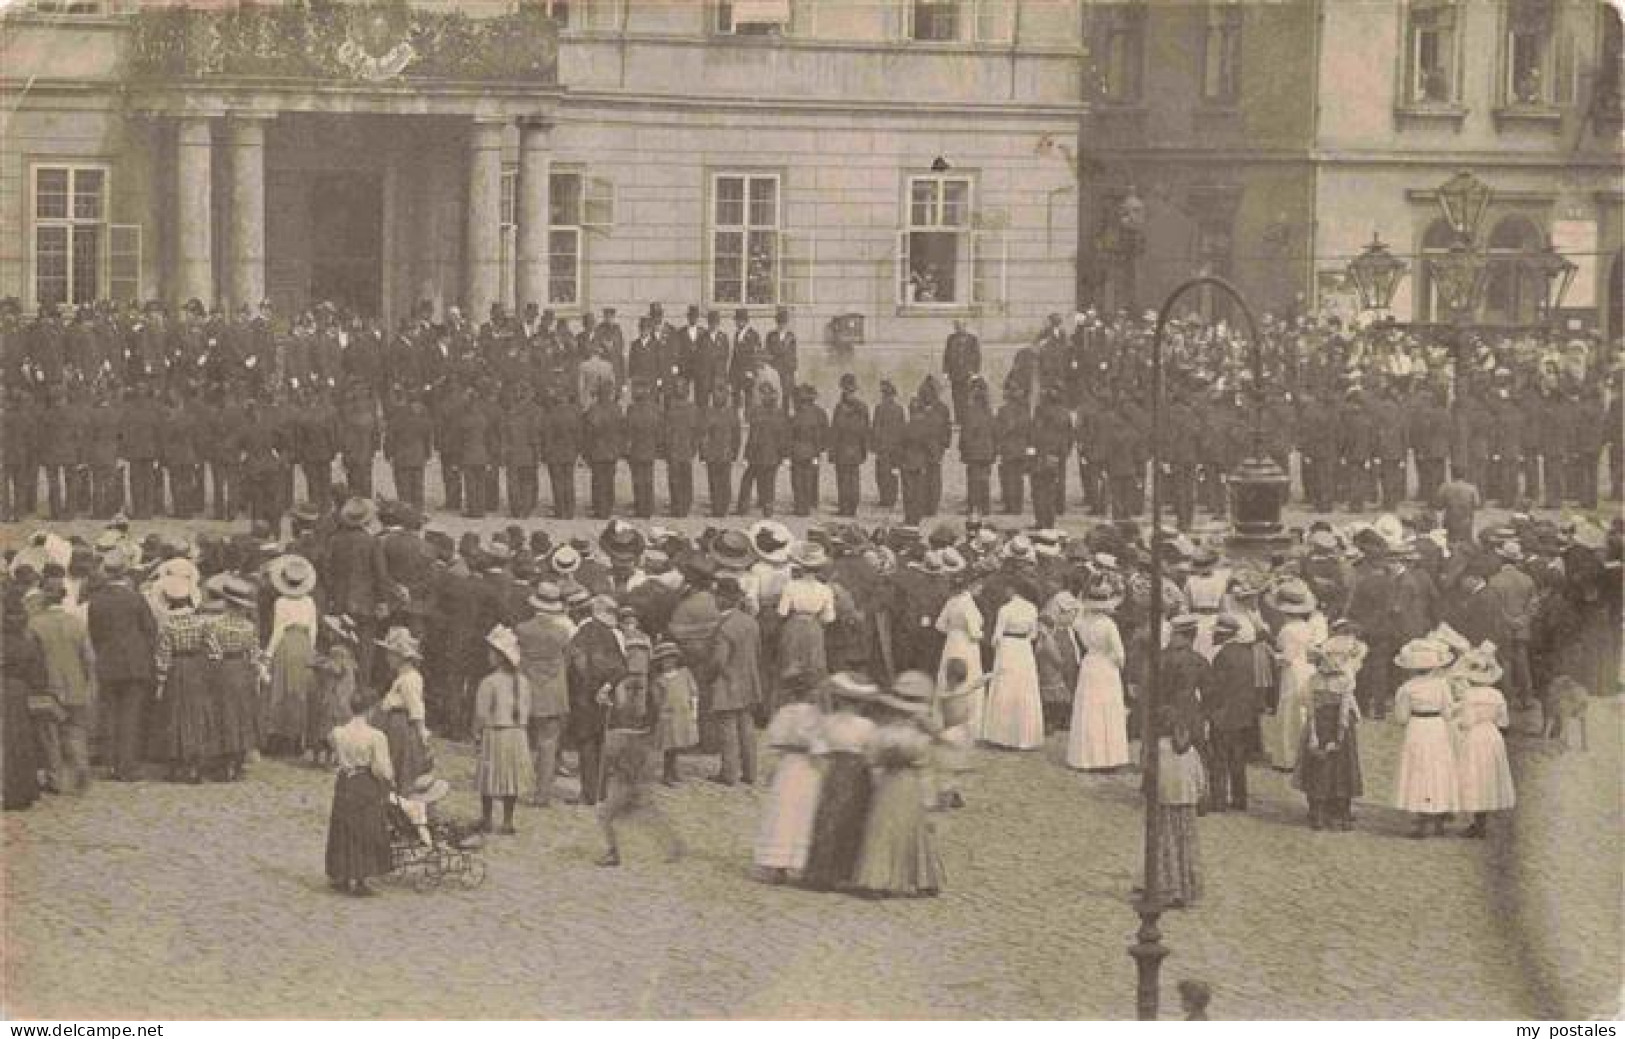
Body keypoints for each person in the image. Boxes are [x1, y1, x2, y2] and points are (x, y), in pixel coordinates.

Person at [853, 672, 946, 898]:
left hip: (888, 784)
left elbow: (871, 759)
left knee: (884, 828)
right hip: (911, 785)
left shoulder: (882, 734)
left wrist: (877, 777)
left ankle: (878, 879)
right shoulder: (920, 740)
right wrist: (930, 800)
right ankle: (922, 878)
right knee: (913, 829)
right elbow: (926, 769)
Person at [594, 666, 685, 868]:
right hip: (641, 762)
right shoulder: (650, 703)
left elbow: (611, 752)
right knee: (645, 809)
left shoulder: (623, 718)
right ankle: (672, 843)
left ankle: (613, 853)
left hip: (627, 767)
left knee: (606, 813)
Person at [801, 675, 879, 891]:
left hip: (834, 769)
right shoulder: (867, 726)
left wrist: (821, 765)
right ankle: (844, 872)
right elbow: (872, 753)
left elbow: (816, 746)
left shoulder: (829, 721)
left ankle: (820, 871)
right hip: (857, 772)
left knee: (828, 817)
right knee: (852, 819)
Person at [85, 547, 156, 782]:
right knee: (130, 716)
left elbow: (95, 634)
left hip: (108, 662)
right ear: (125, 571)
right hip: (134, 665)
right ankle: (127, 766)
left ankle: (111, 764)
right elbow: (150, 630)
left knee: (110, 715)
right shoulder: (136, 599)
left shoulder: (95, 601)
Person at [26, 575, 97, 794]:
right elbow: (89, 658)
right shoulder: (77, 623)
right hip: (75, 684)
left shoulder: (34, 624)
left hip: (48, 687)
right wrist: (88, 682)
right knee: (75, 732)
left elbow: (32, 658)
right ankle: (81, 768)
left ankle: (55, 778)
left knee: (50, 735)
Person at [324, 689, 394, 896]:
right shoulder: (376, 736)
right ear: (370, 710)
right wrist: (389, 779)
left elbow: (331, 742)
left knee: (343, 827)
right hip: (365, 782)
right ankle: (361, 878)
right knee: (365, 828)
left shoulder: (338, 733)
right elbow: (381, 768)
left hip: (345, 781)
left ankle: (342, 875)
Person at [1392, 636, 1461, 838]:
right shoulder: (1441, 685)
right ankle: (1438, 814)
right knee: (1438, 768)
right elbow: (1448, 712)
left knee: (1419, 769)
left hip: (1417, 728)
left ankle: (1424, 818)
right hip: (1437, 727)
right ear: (1434, 666)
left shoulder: (1406, 688)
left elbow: (1401, 717)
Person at [1293, 638, 1365, 830]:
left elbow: (1306, 706)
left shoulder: (1312, 680)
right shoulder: (1345, 681)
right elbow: (1343, 714)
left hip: (1319, 726)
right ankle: (1340, 813)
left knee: (1318, 766)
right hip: (1338, 728)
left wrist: (1314, 735)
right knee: (1341, 768)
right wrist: (1340, 736)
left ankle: (1317, 811)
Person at [152, 570, 215, 784]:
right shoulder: (202, 622)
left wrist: (160, 682)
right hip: (196, 668)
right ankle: (195, 765)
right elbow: (215, 651)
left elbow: (163, 657)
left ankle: (176, 764)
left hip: (176, 670)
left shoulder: (167, 626)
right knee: (196, 715)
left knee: (175, 716)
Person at [516, 581, 574, 807]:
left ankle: (513, 785)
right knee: (548, 743)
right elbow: (568, 659)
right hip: (553, 690)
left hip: (526, 686)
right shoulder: (562, 632)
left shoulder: (522, 629)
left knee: (519, 738)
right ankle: (542, 794)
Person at [754, 701, 824, 883]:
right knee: (802, 813)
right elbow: (818, 743)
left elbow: (774, 739)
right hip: (807, 766)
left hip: (789, 764)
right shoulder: (815, 713)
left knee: (784, 812)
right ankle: (795, 862)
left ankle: (777, 863)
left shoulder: (784, 711)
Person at [1450, 641, 1514, 838]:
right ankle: (1482, 822)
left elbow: (1467, 721)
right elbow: (1503, 722)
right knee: (1488, 777)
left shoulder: (1468, 696)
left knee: (1474, 775)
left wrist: (1457, 722)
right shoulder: (1497, 695)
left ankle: (1477, 823)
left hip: (1475, 735)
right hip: (1492, 736)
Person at [567, 594, 626, 806]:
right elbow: (621, 667)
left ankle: (588, 793)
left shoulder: (583, 634)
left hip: (584, 696)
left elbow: (576, 665)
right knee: (602, 742)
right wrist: (607, 687)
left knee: (586, 744)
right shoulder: (611, 636)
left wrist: (587, 686)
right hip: (604, 697)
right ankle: (601, 791)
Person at [473, 625, 533, 835]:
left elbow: (481, 713)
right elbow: (527, 709)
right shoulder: (523, 682)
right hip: (517, 734)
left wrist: (477, 733)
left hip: (495, 733)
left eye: (491, 652)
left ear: (499, 656)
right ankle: (507, 820)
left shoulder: (489, 682)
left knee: (489, 775)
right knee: (510, 776)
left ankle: (487, 818)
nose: (488, 656)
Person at [1066, 576, 1130, 771]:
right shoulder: (1109, 625)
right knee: (1107, 710)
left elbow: (1075, 620)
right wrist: (1119, 665)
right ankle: (1107, 756)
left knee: (1088, 709)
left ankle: (1086, 756)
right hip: (1106, 666)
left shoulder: (1083, 623)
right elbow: (1119, 654)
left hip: (1089, 664)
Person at [207, 575, 262, 782]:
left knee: (223, 714)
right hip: (243, 670)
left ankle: (223, 763)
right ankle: (239, 762)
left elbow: (212, 652)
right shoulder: (249, 627)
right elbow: (254, 654)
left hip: (222, 670)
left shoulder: (215, 625)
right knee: (242, 716)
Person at [1204, 614, 1262, 812]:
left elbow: (1216, 688)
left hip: (1223, 713)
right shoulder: (1247, 654)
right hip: (1243, 713)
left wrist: (1209, 709)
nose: (1213, 637)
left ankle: (1218, 800)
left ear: (1223, 635)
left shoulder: (1222, 656)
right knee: (1237, 758)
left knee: (1218, 758)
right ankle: (1240, 798)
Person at [263, 554, 318, 756]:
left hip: (286, 643)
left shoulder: (281, 602)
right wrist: (311, 650)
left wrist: (268, 653)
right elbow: (313, 629)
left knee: (281, 690)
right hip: (303, 644)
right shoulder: (310, 602)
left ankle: (279, 738)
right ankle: (298, 739)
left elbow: (278, 629)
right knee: (300, 691)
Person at [709, 577, 762, 786]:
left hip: (728, 682)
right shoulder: (751, 622)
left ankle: (729, 774)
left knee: (727, 728)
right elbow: (758, 652)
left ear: (722, 599)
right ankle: (750, 773)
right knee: (747, 728)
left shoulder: (724, 627)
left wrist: (710, 675)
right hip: (749, 680)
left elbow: (719, 661)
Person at [980, 578, 1044, 750]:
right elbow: (1033, 635)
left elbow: (996, 636)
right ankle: (1025, 735)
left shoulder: (1005, 609)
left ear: (1013, 589)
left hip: (1008, 648)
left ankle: (1002, 735)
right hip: (1024, 649)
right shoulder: (1032, 608)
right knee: (1024, 688)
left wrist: (995, 646)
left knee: (1005, 686)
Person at [1265, 578, 1320, 771]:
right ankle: (1304, 754)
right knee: (1303, 711)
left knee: (1289, 711)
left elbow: (1286, 658)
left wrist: (1272, 654)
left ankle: (1287, 757)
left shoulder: (1287, 630)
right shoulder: (1307, 626)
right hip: (1306, 668)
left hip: (1292, 671)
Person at [374, 626, 431, 796]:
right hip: (392, 722)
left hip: (401, 725)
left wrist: (422, 732)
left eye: (391, 654)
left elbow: (416, 707)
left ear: (401, 657)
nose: (387, 658)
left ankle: (396, 799)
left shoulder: (410, 679)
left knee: (398, 762)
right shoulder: (401, 677)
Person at [777, 541, 835, 699]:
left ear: (801, 566)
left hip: (793, 626)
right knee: (814, 668)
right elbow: (829, 618)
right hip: (814, 627)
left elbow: (782, 612)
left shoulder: (791, 586)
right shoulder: (825, 589)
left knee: (789, 666)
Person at [3, 591, 43, 809]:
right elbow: (37, 674)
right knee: (19, 740)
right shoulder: (25, 641)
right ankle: (19, 791)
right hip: (16, 690)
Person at [307, 616, 360, 767]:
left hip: (335, 694)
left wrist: (319, 665)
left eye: (330, 631)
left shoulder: (337, 651)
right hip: (340, 694)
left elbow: (336, 669)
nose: (327, 634)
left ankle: (324, 758)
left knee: (326, 725)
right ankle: (328, 758)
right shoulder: (346, 652)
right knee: (331, 725)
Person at [650, 640, 700, 786]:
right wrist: (662, 709)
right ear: (660, 662)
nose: (668, 662)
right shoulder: (659, 680)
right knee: (669, 746)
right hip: (668, 717)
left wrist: (694, 710)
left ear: (676, 659)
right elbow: (657, 701)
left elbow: (693, 692)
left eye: (671, 658)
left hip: (683, 715)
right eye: (664, 660)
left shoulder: (685, 674)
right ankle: (667, 775)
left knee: (678, 745)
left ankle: (674, 771)